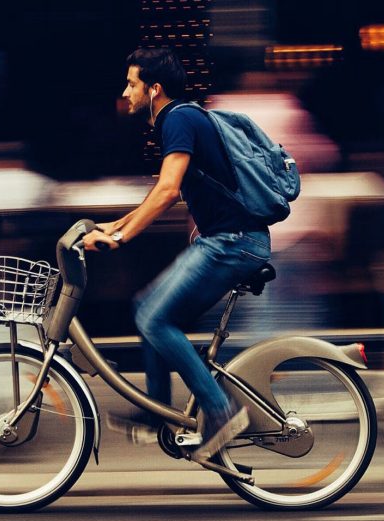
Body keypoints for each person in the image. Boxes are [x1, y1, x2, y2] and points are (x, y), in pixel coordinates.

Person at [83, 47, 272, 461]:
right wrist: (116, 225)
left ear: (154, 89)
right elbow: (165, 196)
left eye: (132, 83)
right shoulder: (180, 118)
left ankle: (222, 411)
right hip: (224, 240)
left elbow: (167, 190)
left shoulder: (179, 118)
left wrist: (120, 239)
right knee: (147, 306)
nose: (125, 91)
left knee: (154, 318)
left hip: (233, 242)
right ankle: (157, 413)